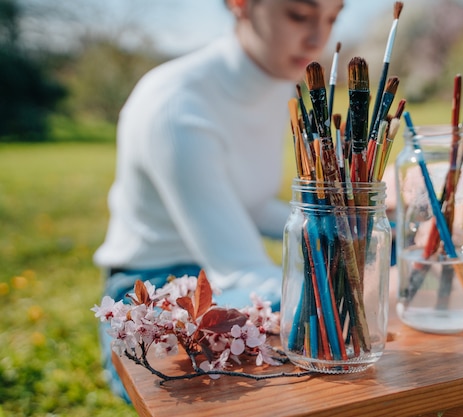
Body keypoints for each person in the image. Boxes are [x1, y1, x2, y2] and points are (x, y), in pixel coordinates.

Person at [94, 0, 344, 401]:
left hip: (229, 265)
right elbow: (241, 270)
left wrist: (343, 221)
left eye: (332, 18)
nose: (319, 38)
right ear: (240, 5)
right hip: (158, 287)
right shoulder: (176, 105)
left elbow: (249, 204)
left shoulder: (280, 84)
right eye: (299, 14)